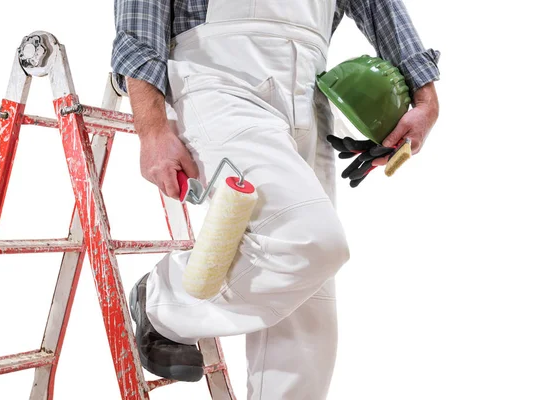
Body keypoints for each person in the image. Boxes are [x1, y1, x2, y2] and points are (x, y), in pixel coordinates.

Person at [111, 0, 440, 398]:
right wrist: (151, 128)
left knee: (308, 315)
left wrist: (424, 99)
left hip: (308, 94)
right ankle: (164, 299)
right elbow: (140, 13)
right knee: (308, 242)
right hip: (218, 79)